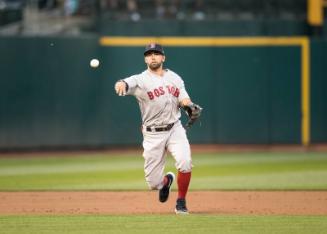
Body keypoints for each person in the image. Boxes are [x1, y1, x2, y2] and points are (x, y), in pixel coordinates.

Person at [114, 43, 202, 214]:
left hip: (175, 129)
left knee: (185, 162)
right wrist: (120, 84)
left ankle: (181, 201)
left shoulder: (175, 78)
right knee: (153, 183)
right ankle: (166, 181)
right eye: (149, 54)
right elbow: (125, 82)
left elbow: (184, 98)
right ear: (145, 59)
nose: (152, 56)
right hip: (152, 134)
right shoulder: (140, 79)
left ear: (163, 57)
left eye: (156, 53)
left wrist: (189, 106)